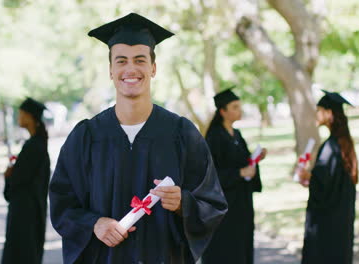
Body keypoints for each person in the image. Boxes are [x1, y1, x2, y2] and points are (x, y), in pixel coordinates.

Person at [49, 13, 228, 264]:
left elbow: (212, 203)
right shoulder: (86, 137)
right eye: (121, 61)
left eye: (140, 60)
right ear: (111, 71)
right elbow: (62, 203)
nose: (130, 69)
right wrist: (95, 223)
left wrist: (182, 203)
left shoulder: (181, 133)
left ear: (153, 68)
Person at [203, 87, 266, 264]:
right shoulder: (214, 137)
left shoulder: (236, 134)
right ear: (222, 111)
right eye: (235, 107)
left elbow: (243, 163)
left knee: (242, 244)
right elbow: (210, 174)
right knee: (227, 247)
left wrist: (254, 160)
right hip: (224, 204)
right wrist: (239, 173)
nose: (240, 110)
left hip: (242, 201)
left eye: (240, 106)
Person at [298, 90, 357, 264]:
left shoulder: (330, 147)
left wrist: (307, 175)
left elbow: (322, 183)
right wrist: (311, 178)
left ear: (329, 113)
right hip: (342, 216)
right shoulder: (344, 143)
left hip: (327, 221)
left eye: (319, 110)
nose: (316, 114)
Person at [1, 98, 51, 264]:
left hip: (25, 212)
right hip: (31, 208)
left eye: (21, 114)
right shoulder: (37, 143)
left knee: (21, 254)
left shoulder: (34, 146)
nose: (18, 118)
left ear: (30, 117)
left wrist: (9, 175)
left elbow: (19, 180)